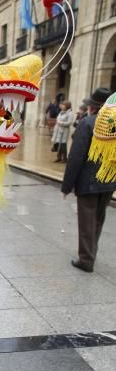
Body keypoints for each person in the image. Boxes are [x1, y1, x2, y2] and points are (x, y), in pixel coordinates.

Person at [61, 87, 115, 272]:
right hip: (109, 180)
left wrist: (67, 186)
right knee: (98, 219)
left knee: (87, 220)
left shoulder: (87, 124)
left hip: (88, 181)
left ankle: (86, 260)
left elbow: (76, 157)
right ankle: (91, 252)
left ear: (93, 107)